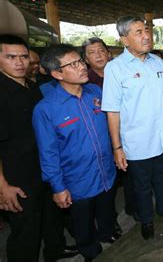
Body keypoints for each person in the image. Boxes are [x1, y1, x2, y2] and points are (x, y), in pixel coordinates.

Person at [32, 44, 118, 261]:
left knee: (107, 210)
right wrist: (58, 187)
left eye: (80, 61)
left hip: (106, 170)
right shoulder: (46, 109)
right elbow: (48, 153)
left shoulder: (96, 93)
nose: (81, 67)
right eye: (73, 64)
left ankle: (107, 233)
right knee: (83, 223)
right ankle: (89, 250)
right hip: (77, 180)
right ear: (56, 73)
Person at [102, 16, 163, 241]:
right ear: (124, 40)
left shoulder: (158, 63)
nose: (146, 36)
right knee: (142, 186)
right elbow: (112, 110)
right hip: (136, 142)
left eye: (146, 30)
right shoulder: (115, 68)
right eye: (138, 32)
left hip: (162, 136)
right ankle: (146, 219)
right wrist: (117, 147)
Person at [0, 35, 78, 262]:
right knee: (27, 230)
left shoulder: (32, 87)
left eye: (24, 56)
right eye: (10, 57)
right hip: (17, 176)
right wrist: (2, 186)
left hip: (43, 168)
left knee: (51, 217)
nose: (19, 62)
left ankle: (55, 250)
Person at [82, 37, 136, 225]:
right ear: (86, 60)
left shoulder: (124, 72)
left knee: (131, 173)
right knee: (107, 181)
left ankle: (133, 207)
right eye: (92, 53)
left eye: (101, 51)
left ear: (109, 53)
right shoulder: (84, 82)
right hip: (101, 138)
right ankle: (108, 221)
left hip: (128, 131)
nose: (98, 55)